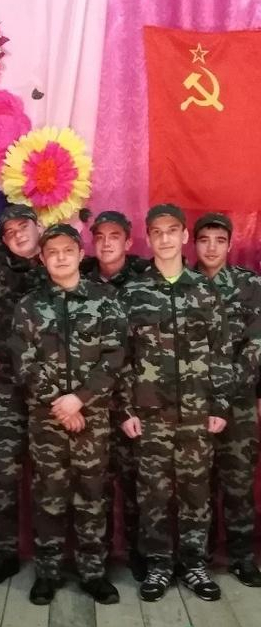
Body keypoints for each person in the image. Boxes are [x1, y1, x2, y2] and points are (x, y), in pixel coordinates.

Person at [119, 203, 233, 602]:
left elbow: (221, 352)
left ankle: (194, 564)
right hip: (149, 413)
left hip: (197, 412)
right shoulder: (132, 293)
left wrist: (220, 404)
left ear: (184, 236)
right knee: (153, 493)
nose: (165, 238)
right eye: (157, 232)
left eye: (172, 231)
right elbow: (121, 357)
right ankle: (158, 565)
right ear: (148, 238)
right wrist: (125, 409)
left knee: (196, 491)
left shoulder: (205, 290)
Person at [11, 223, 128, 605]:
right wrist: (60, 404)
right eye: (52, 252)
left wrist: (80, 398)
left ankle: (94, 572)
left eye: (67, 251)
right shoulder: (29, 306)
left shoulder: (105, 301)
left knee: (93, 494)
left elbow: (115, 355)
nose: (60, 257)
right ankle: (48, 573)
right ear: (42, 259)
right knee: (49, 495)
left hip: (92, 418)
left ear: (80, 254)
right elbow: (24, 362)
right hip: (47, 420)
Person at [0, 204, 47, 587]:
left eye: (24, 226)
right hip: (11, 383)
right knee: (1, 468)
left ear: (40, 227)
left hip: (53, 388)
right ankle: (4, 554)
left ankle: (52, 558)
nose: (19, 235)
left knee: (51, 474)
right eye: (9, 231)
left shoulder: (63, 259)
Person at [194, 212, 261, 586]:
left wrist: (231, 391)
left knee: (238, 481)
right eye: (204, 239)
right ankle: (199, 557)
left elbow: (256, 345)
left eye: (220, 240)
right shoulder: (184, 284)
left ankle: (241, 557)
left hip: (238, 401)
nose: (212, 247)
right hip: (193, 401)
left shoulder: (249, 285)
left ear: (231, 244)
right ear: (194, 243)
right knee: (197, 484)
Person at [82, 210, 148, 580]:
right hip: (93, 399)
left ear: (128, 240)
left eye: (115, 236)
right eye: (100, 236)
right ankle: (99, 555)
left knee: (136, 478)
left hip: (135, 397)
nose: (107, 243)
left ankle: (140, 552)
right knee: (96, 482)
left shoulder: (144, 279)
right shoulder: (81, 277)